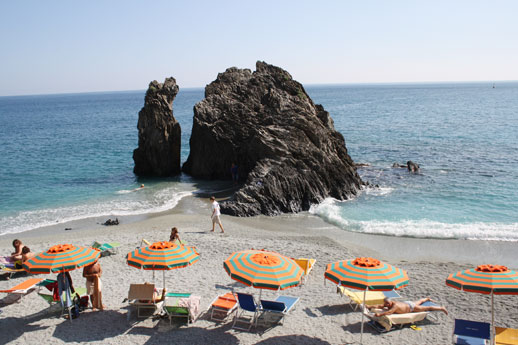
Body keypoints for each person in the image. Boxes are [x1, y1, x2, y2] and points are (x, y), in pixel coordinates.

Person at [367, 297, 448, 316]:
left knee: (427, 308)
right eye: (386, 304)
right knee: (419, 301)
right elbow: (379, 306)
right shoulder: (388, 303)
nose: (386, 305)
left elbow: (389, 312)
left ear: (391, 302)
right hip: (407, 303)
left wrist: (379, 314)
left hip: (411, 308)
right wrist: (369, 306)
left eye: (387, 303)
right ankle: (427, 298)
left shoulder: (395, 305)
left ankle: (441, 308)